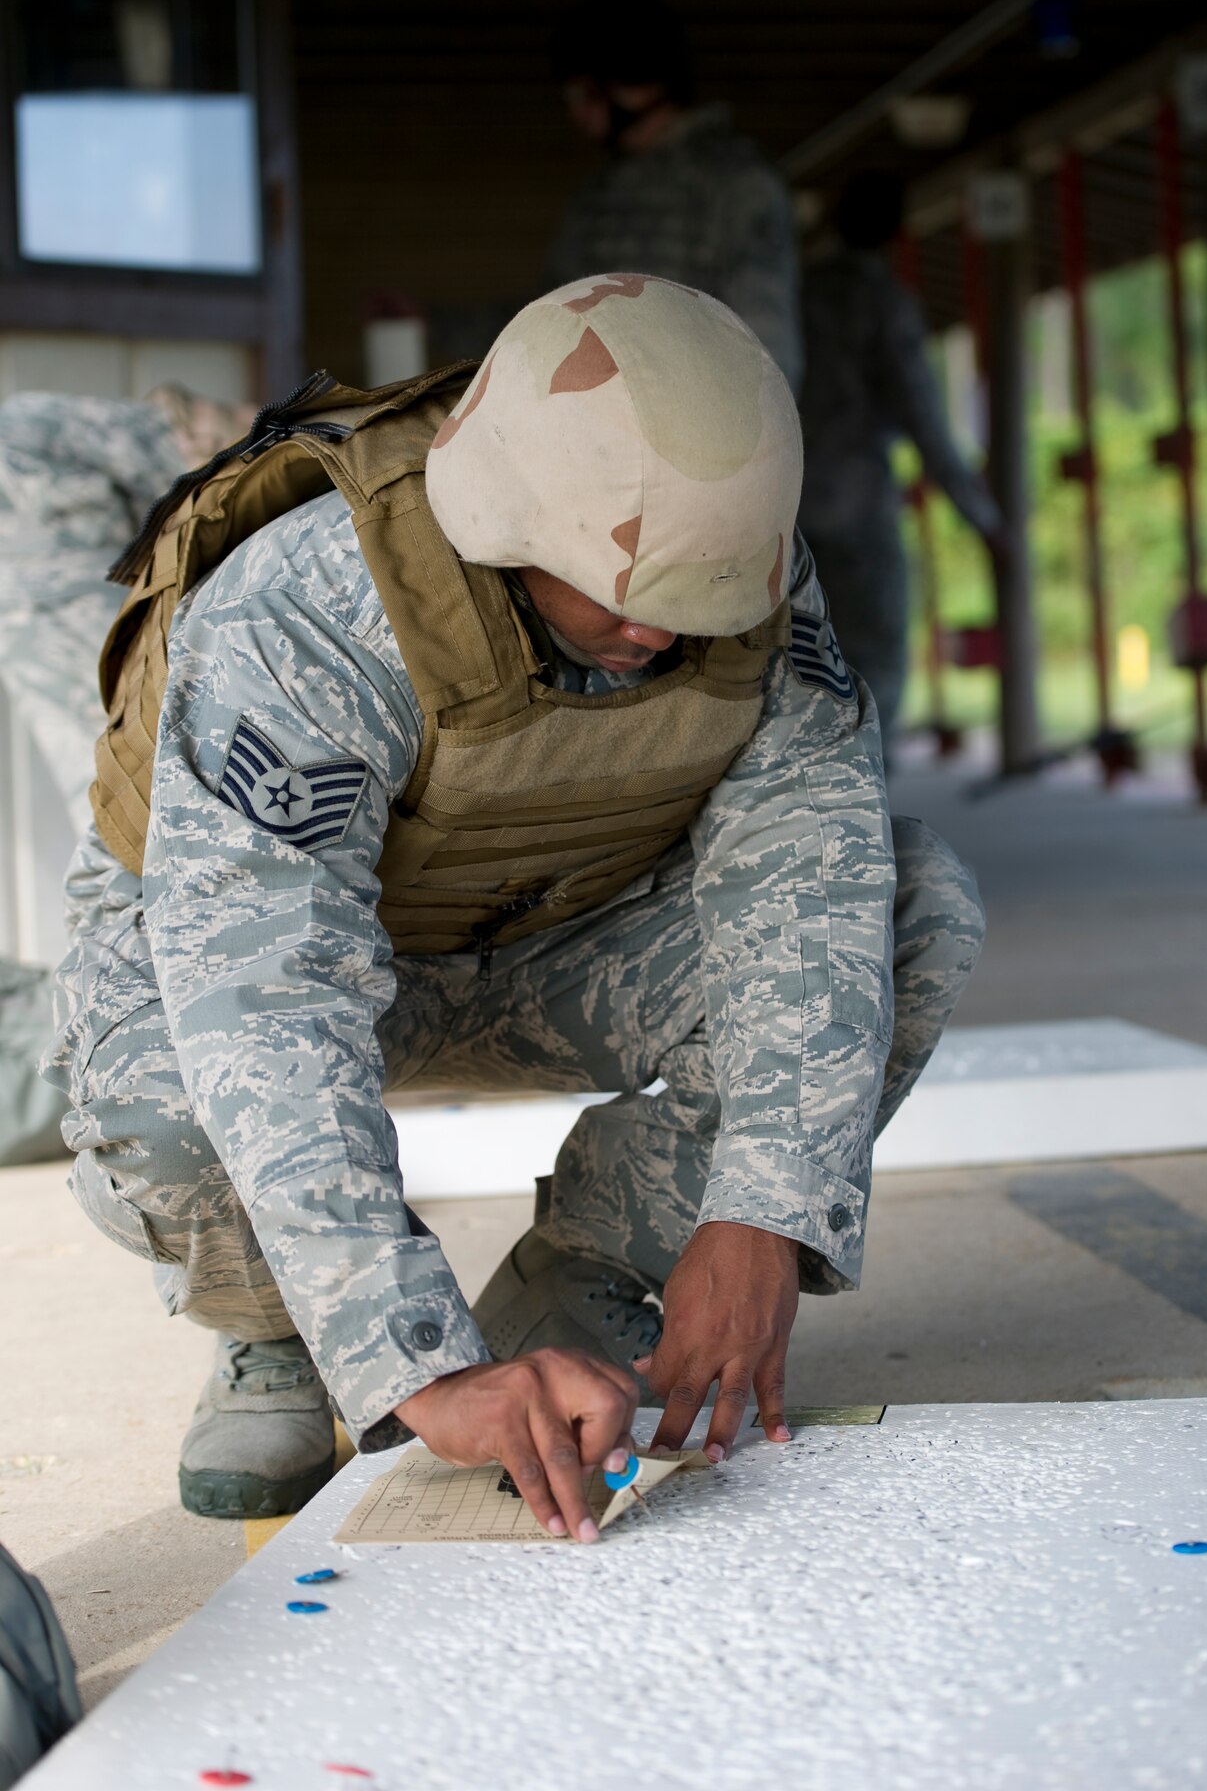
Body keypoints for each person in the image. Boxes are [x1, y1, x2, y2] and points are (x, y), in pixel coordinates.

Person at [43, 276, 985, 1540]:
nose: (660, 628)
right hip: (284, 961)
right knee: (159, 1104)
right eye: (619, 591)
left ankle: (586, 1279)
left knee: (913, 908)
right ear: (507, 515)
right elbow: (265, 994)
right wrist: (416, 1360)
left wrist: (761, 1206)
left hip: (552, 935)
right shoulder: (312, 605)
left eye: (695, 597)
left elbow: (807, 877)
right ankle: (274, 1326)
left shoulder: (732, 573)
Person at [0, 385, 251, 1166]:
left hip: (84, 636)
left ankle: (152, 1018)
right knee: (128, 822)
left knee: (125, 819)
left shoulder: (40, 425)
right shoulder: (52, 424)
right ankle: (149, 1024)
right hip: (81, 641)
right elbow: (194, 496)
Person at [799, 170, 1009, 754]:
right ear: (896, 230)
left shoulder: (795, 294)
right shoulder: (885, 304)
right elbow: (926, 422)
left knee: (797, 666)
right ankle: (861, 798)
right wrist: (985, 520)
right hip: (860, 512)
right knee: (876, 665)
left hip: (783, 516)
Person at [548, 0, 804, 392]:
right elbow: (546, 322)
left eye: (583, 94)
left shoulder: (736, 184)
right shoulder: (595, 198)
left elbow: (768, 356)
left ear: (632, 85)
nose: (575, 112)